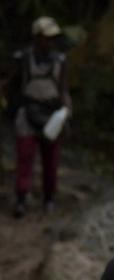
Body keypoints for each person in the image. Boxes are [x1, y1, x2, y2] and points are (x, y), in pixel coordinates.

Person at [8, 16, 71, 218]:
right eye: (46, 37)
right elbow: (12, 84)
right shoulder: (23, 59)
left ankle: (49, 198)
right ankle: (21, 198)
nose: (50, 42)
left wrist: (66, 112)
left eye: (53, 38)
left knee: (51, 160)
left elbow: (63, 90)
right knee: (25, 158)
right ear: (37, 37)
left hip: (51, 115)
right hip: (27, 113)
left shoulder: (60, 61)